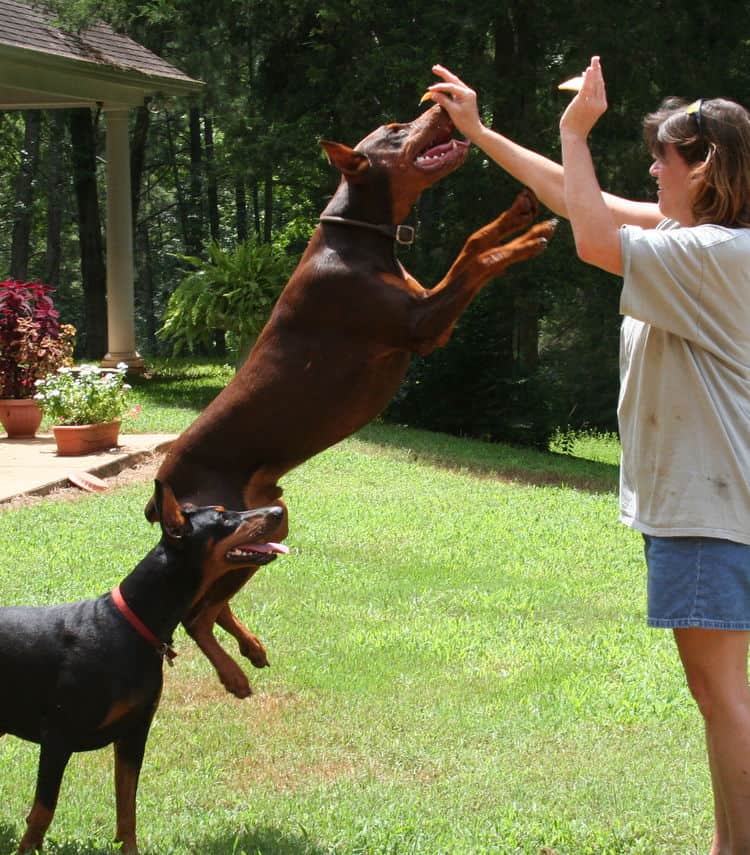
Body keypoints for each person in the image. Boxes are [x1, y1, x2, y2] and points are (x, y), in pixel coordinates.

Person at [427, 57, 750, 854]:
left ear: (703, 167)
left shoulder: (712, 254)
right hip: (713, 502)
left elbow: (593, 238)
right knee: (722, 697)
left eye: (662, 158)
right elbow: (576, 200)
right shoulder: (700, 241)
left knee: (721, 698)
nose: (649, 168)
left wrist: (578, 130)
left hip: (708, 510)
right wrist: (477, 128)